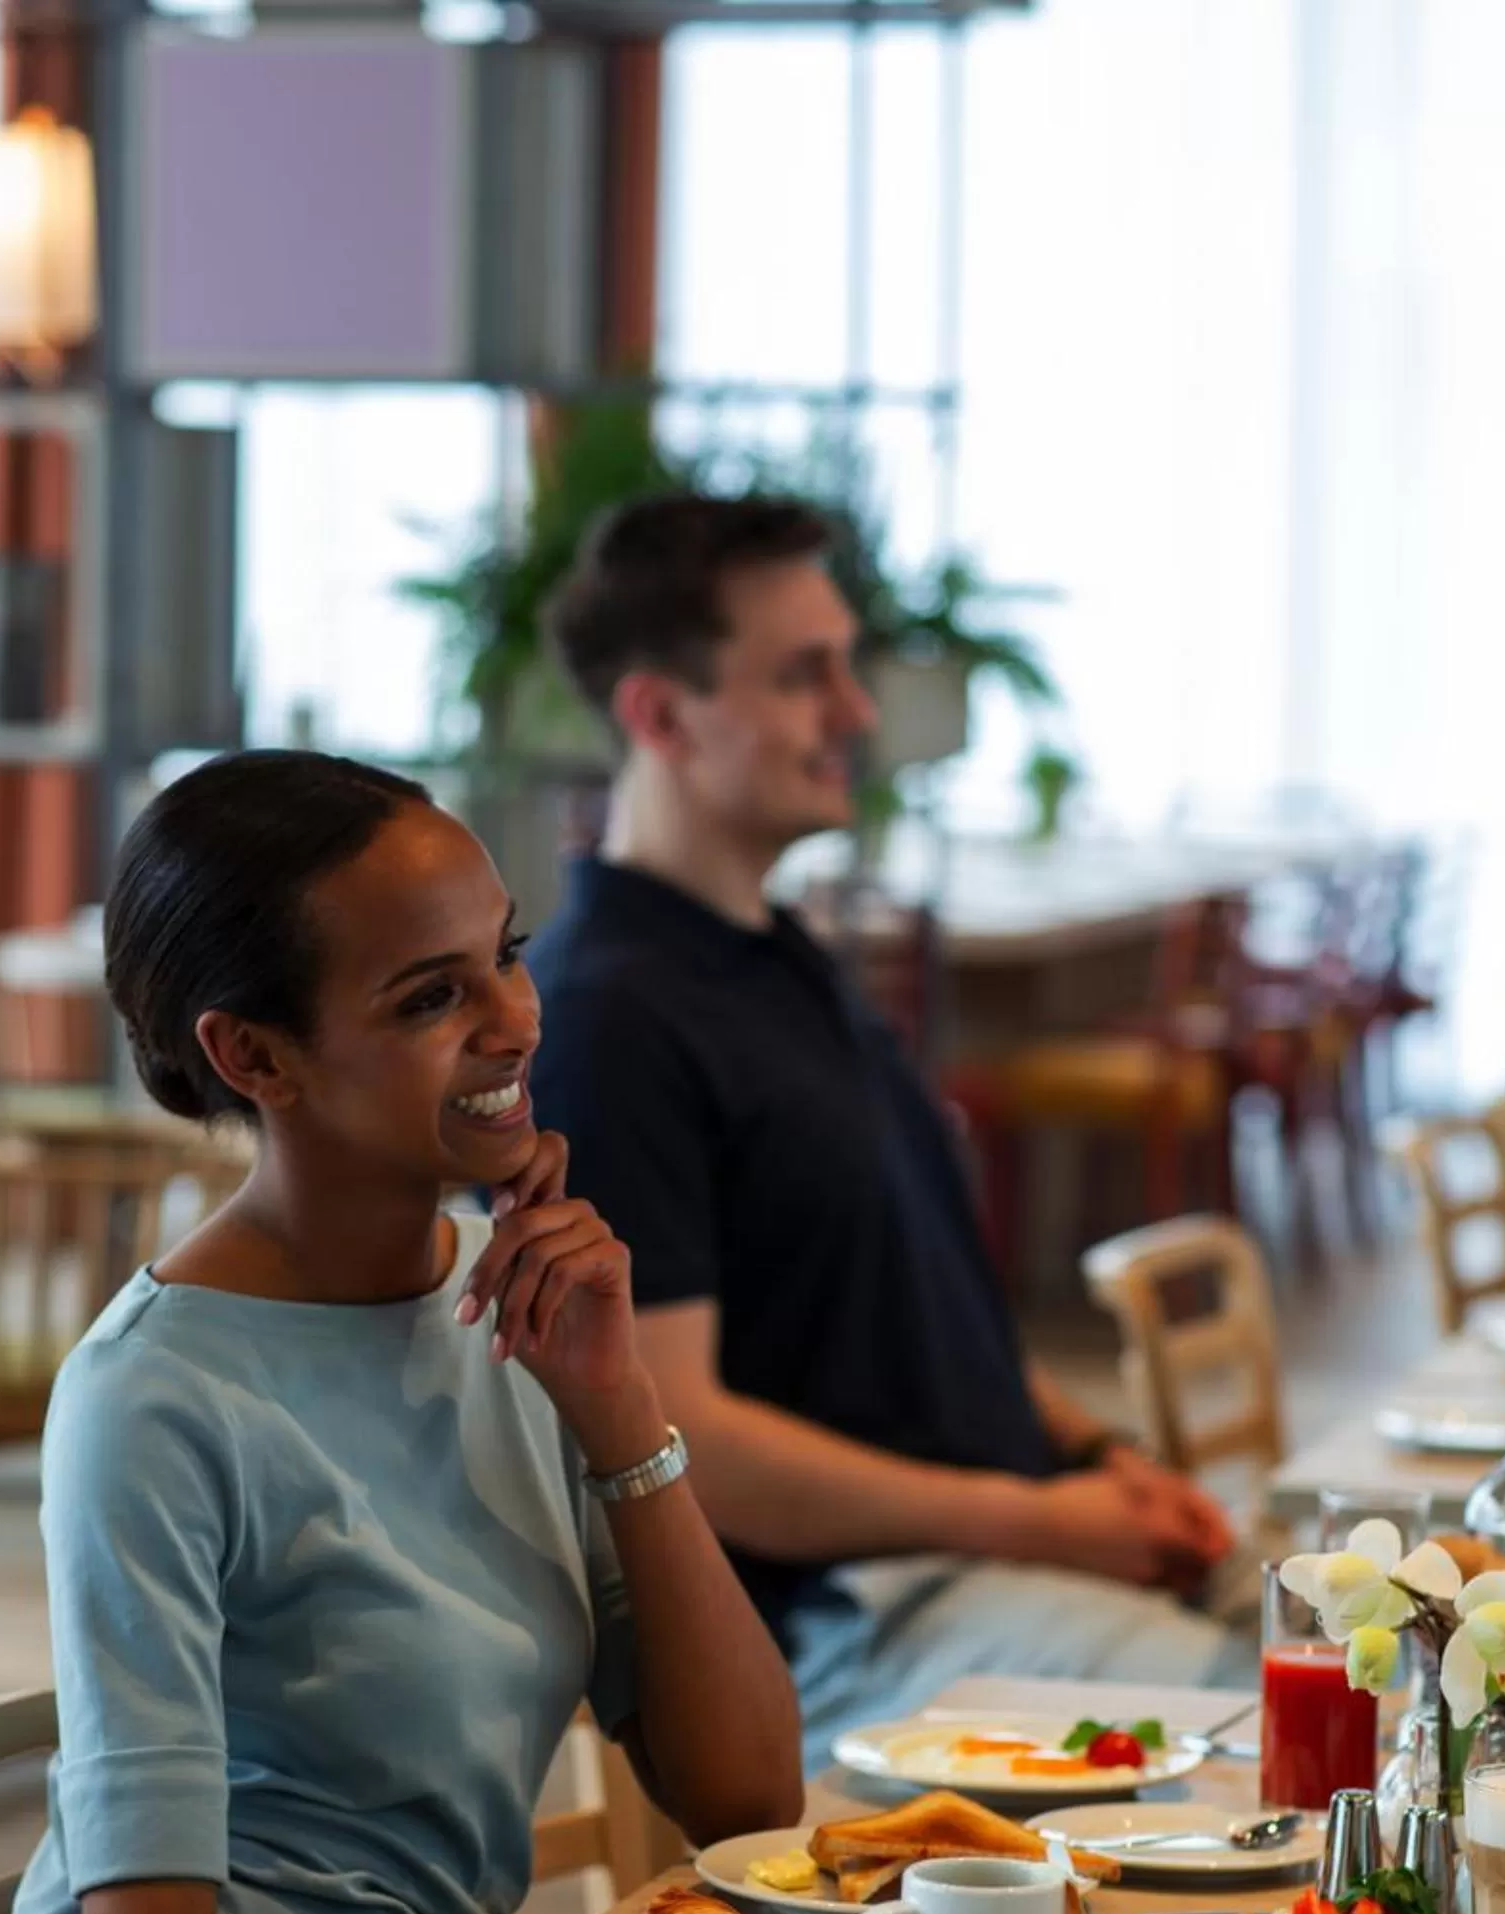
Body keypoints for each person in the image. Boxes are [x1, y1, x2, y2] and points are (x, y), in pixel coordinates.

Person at [0, 748, 1170, 1914]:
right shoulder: (154, 1401)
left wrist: (618, 1405)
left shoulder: (506, 1310)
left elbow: (743, 1781)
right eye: (427, 992)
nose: (513, 1018)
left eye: (505, 954)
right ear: (255, 1055)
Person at [528, 494, 1251, 1769]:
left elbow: (910, 1310)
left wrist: (1092, 1453)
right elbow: (678, 1438)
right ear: (659, 713)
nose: (855, 713)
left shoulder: (775, 954)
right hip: (853, 1623)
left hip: (987, 1558)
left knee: (1420, 1647)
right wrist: (1040, 1517)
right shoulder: (608, 1014)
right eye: (806, 675)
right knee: (1315, 1725)